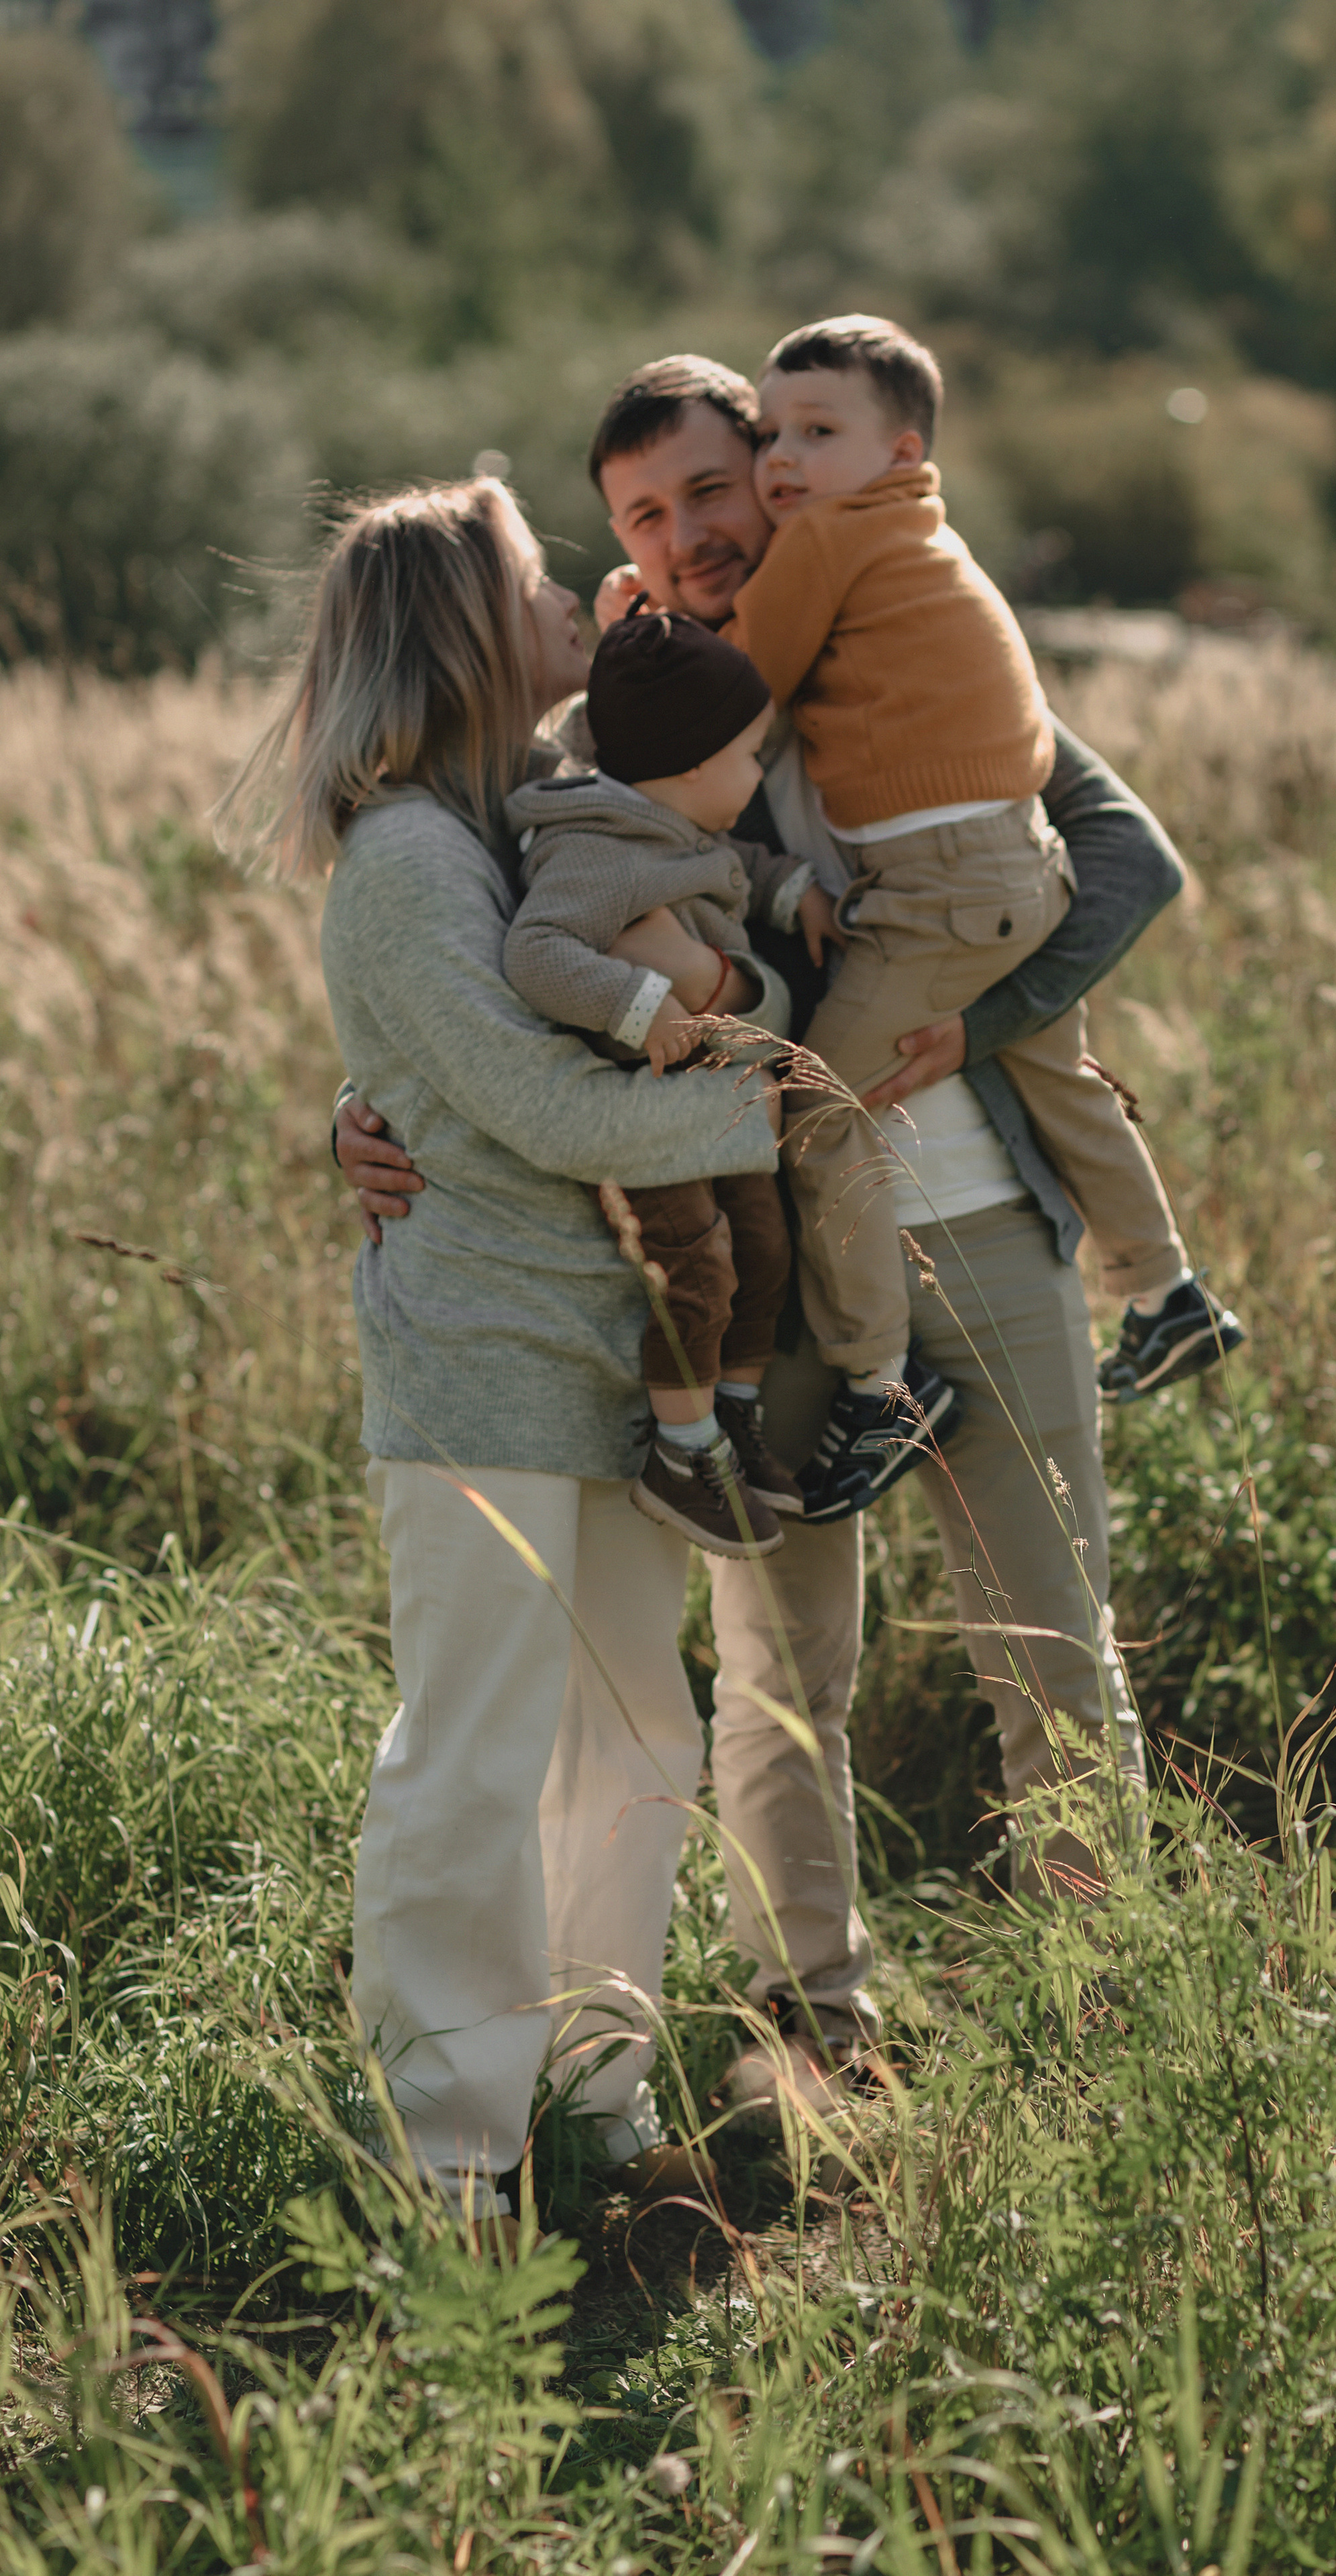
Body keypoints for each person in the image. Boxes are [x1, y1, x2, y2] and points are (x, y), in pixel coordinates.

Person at [334, 354, 1208, 2100]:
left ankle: (1110, 2037)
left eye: (716, 490)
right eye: (648, 516)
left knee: (1054, 1652)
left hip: (988, 1223)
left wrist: (986, 1006)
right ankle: (823, 2018)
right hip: (790, 1280)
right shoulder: (612, 744)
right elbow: (471, 979)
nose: (694, 533)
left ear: (777, 483)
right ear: (623, 552)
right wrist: (365, 1115)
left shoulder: (919, 632)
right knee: (781, 1670)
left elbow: (1128, 861)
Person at [228, 475, 780, 2221]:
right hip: (478, 1358)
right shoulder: (405, 855)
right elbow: (543, 1101)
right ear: (467, 631)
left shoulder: (524, 819)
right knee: (472, 1760)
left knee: (638, 1742)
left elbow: (489, 1065)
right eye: (537, 580)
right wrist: (789, 1119)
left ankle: (596, 2106)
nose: (573, 601)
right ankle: (452, 2168)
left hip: (604, 1355)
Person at [725, 317, 1243, 1520]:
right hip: (1019, 865)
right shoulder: (924, 538)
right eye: (770, 436)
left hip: (940, 888)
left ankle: (882, 1381)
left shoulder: (829, 545)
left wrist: (648, 634)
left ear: (903, 450)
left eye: (817, 432)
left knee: (814, 1106)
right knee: (1056, 1065)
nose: (782, 462)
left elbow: (745, 683)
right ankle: (1166, 1289)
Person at [503, 606, 819, 1558]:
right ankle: (683, 1455)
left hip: (715, 1109)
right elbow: (535, 954)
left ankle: (732, 1417)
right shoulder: (598, 851)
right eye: (749, 755)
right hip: (648, 1115)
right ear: (688, 764)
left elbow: (731, 869)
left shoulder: (674, 826)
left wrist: (796, 893)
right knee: (699, 1274)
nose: (758, 775)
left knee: (765, 1251)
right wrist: (642, 1006)